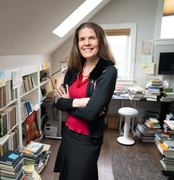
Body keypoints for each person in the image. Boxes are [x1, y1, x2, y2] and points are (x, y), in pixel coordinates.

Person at [52, 22, 117, 180]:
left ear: (100, 41)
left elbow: (91, 114)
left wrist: (67, 102)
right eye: (82, 39)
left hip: (86, 139)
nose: (86, 43)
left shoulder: (108, 71)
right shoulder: (74, 68)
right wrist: (78, 102)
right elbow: (55, 100)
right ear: (77, 43)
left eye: (91, 38)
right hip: (68, 133)